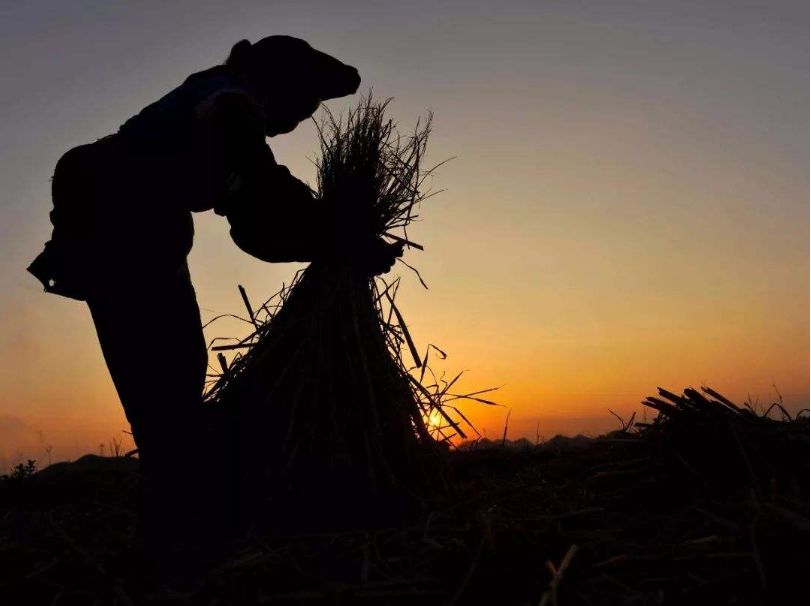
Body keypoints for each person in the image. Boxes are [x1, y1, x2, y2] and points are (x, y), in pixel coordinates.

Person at [27, 35, 401, 561]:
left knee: (170, 381)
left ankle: (182, 525)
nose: (296, 122)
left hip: (133, 225)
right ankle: (179, 542)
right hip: (117, 222)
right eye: (301, 105)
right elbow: (261, 212)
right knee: (165, 385)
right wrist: (341, 239)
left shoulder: (217, 101)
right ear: (277, 84)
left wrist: (326, 230)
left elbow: (259, 199)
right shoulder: (227, 105)